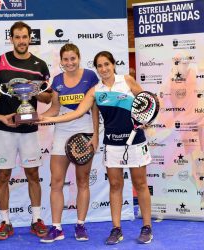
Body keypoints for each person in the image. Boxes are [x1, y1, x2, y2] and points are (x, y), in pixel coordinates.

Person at [39, 51, 153, 245]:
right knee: (115, 186)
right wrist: (48, 119)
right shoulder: (96, 90)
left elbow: (147, 102)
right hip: (112, 143)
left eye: (106, 64)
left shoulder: (127, 80)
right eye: (99, 66)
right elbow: (78, 113)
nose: (103, 69)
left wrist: (147, 120)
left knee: (140, 184)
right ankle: (116, 229)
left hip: (135, 140)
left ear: (113, 64)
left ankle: (147, 227)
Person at [0, 21, 51, 240]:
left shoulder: (40, 65)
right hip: (4, 129)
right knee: (3, 176)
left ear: (30, 38)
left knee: (33, 174)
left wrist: (33, 89)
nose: (21, 41)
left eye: (25, 37)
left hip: (29, 129)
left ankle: (36, 219)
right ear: (11, 39)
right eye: (17, 37)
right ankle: (5, 221)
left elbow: (48, 97)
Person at [39, 44, 99, 243]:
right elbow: (54, 109)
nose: (69, 63)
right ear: (61, 61)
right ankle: (56, 228)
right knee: (56, 182)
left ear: (79, 58)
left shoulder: (90, 76)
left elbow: (96, 109)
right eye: (66, 59)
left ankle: (80, 225)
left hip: (84, 131)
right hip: (61, 131)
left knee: (83, 181)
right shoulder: (57, 80)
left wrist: (96, 134)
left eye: (73, 59)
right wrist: (36, 117)